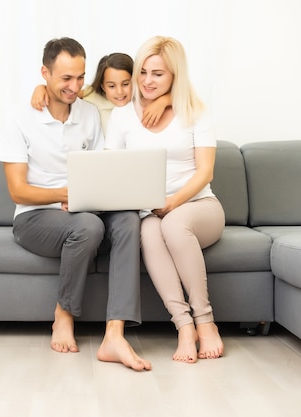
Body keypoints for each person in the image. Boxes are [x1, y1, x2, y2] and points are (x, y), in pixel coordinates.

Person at [0, 37, 151, 371]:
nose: (75, 86)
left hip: (83, 211)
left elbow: (99, 172)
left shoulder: (89, 114)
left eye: (80, 77)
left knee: (127, 219)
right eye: (66, 78)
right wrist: (64, 195)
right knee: (89, 226)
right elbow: (18, 191)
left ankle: (115, 333)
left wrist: (90, 199)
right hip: (35, 219)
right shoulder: (19, 118)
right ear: (45, 74)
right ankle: (63, 315)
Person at [105, 35, 225, 363]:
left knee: (172, 224)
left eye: (158, 74)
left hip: (199, 207)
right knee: (148, 231)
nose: (146, 81)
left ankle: (205, 322)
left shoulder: (195, 112)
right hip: (150, 213)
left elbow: (205, 172)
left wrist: (172, 202)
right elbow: (110, 167)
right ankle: (184, 327)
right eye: (142, 72)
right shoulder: (123, 115)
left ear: (174, 76)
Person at [30, 52, 171, 134]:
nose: (120, 92)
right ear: (103, 86)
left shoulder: (144, 96)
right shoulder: (93, 95)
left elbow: (182, 96)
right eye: (111, 86)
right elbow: (64, 93)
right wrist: (41, 88)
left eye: (126, 84)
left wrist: (163, 101)